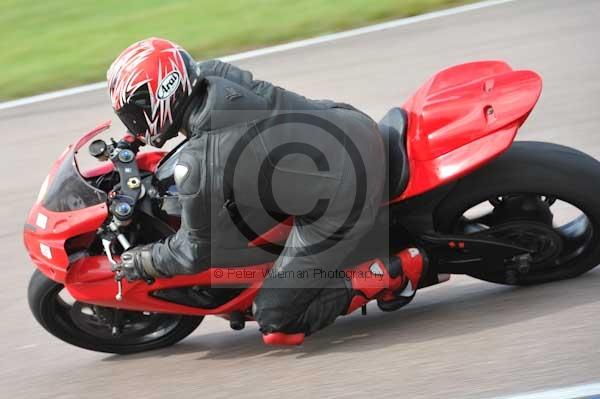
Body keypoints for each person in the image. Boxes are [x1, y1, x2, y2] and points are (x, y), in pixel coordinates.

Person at [110, 37, 426, 345]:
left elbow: (194, 253)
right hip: (351, 124)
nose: (134, 124)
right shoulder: (214, 74)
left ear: (161, 99)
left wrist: (142, 261)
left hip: (348, 192)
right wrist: (134, 139)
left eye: (135, 115)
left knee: (277, 318)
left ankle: (395, 271)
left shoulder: (200, 162)